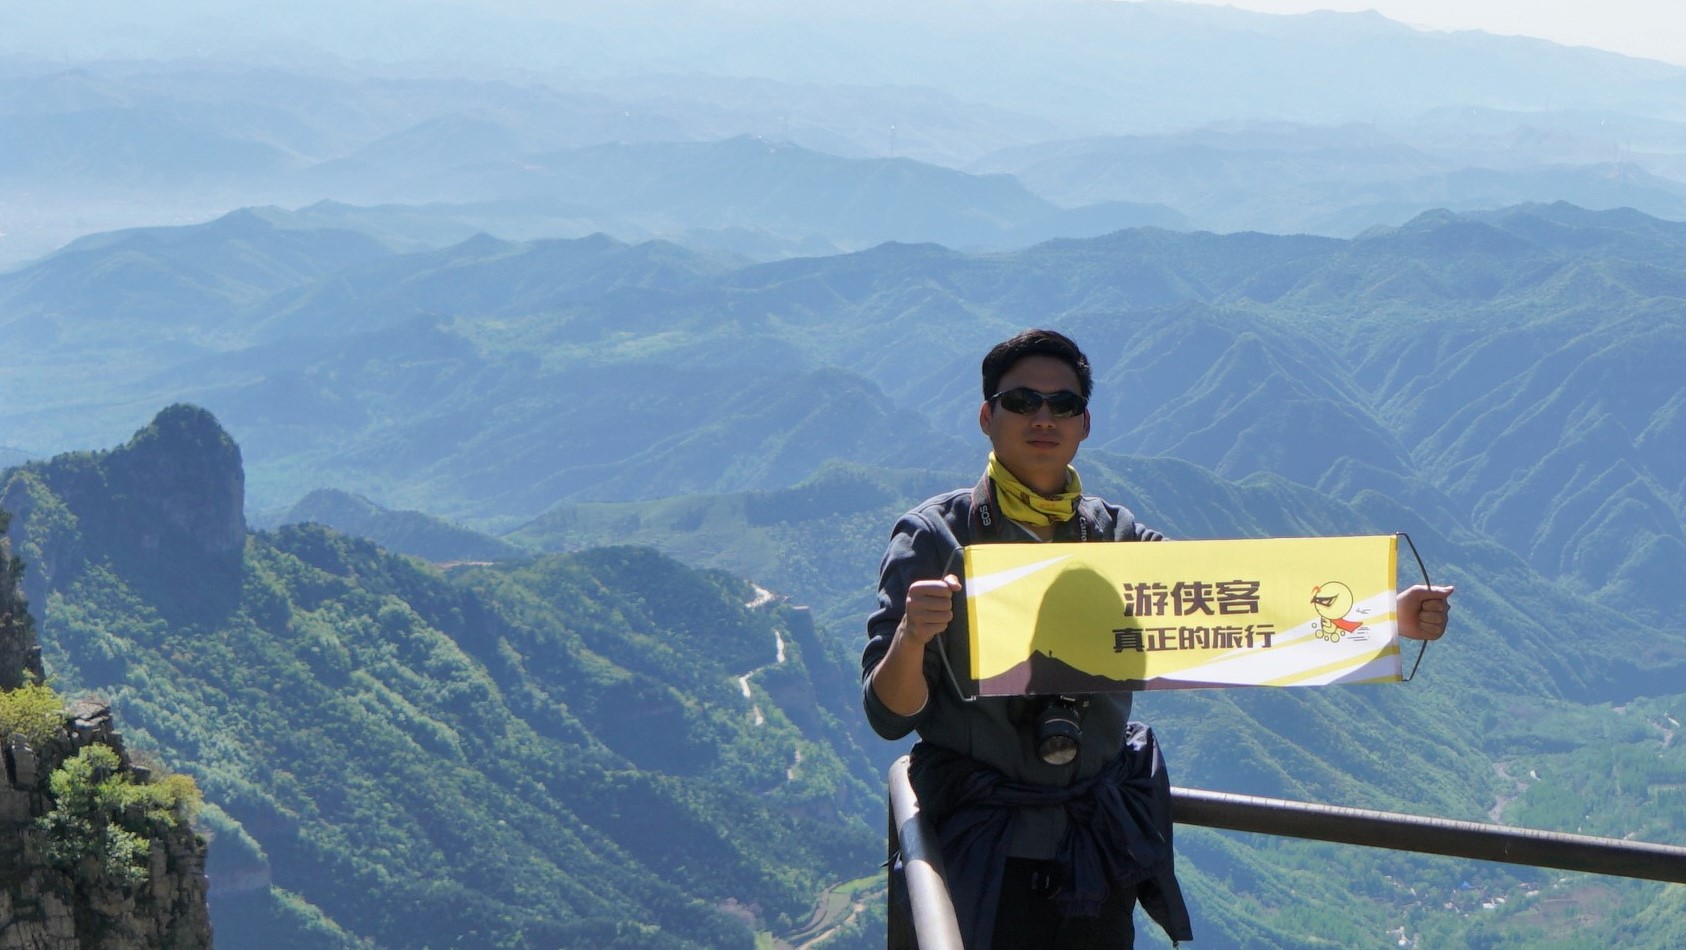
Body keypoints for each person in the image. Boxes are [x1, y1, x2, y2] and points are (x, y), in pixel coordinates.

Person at [862, 328, 1452, 949]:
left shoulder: (1113, 535)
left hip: (1093, 845)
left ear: (1085, 424)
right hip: (981, 848)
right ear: (988, 417)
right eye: (1022, 401)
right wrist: (912, 637)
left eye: (1063, 404)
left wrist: (1387, 617)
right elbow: (888, 714)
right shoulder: (936, 539)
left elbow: (1228, 605)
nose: (1043, 418)